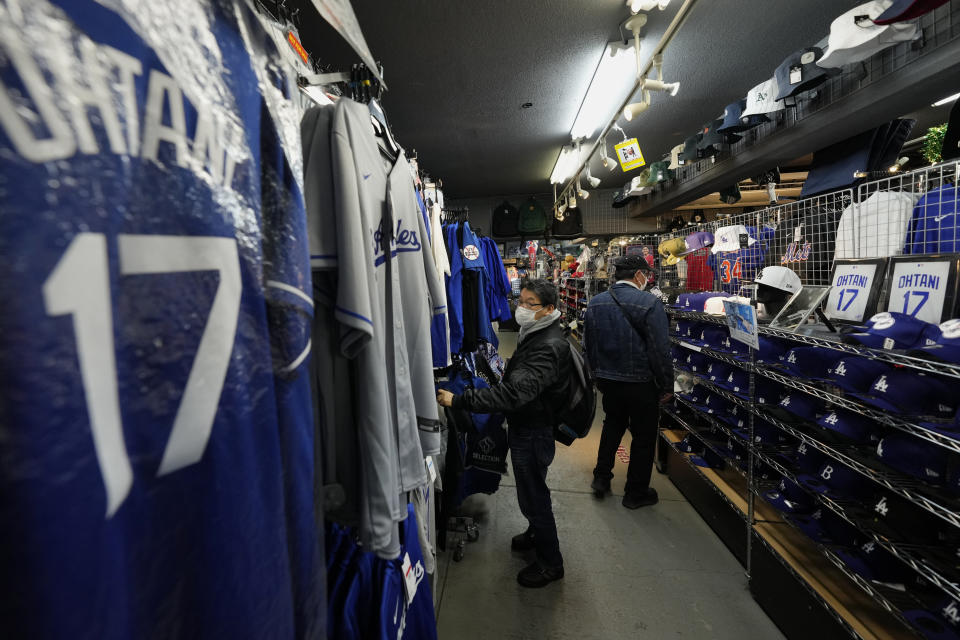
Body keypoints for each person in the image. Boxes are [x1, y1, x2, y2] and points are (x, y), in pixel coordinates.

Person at [436, 279, 569, 588]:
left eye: (529, 303)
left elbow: (514, 395)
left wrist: (461, 399)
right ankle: (536, 533)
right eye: (519, 300)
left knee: (533, 494)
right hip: (529, 424)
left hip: (533, 430)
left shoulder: (547, 346)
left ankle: (551, 563)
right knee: (531, 489)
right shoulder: (537, 333)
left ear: (549, 309)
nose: (520, 308)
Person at [584, 255, 673, 509]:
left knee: (612, 425)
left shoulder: (596, 303)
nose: (648, 278)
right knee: (644, 436)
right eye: (646, 274)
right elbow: (659, 349)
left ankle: (601, 477)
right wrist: (667, 384)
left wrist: (595, 376)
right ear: (637, 275)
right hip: (642, 382)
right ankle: (635, 492)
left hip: (609, 379)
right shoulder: (649, 303)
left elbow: (589, 345)